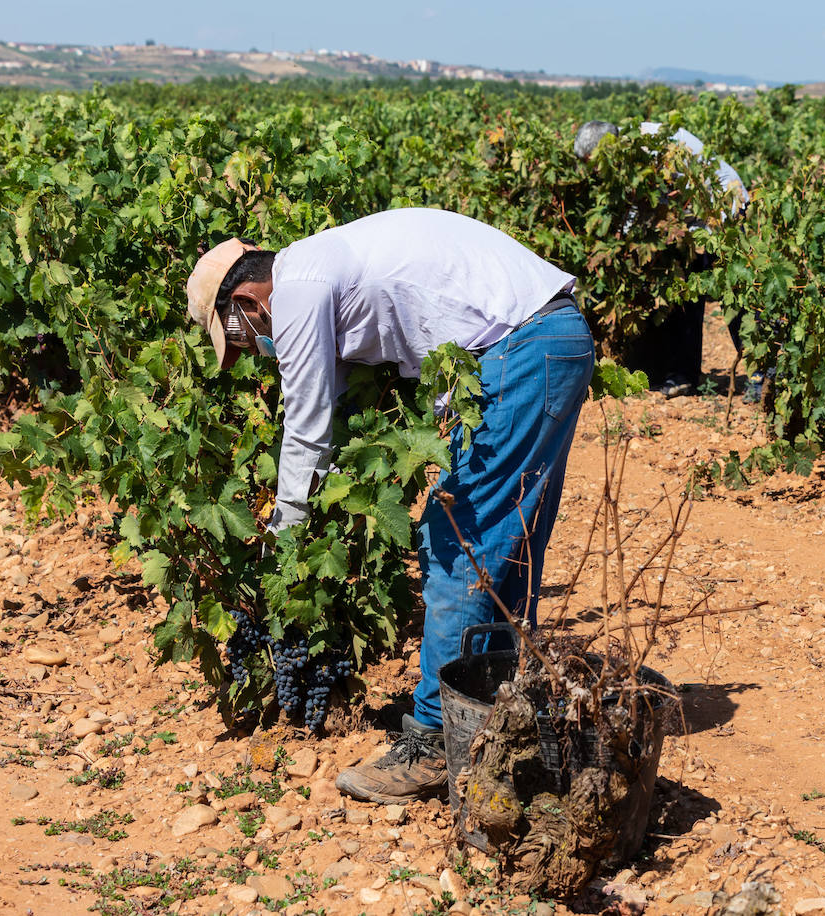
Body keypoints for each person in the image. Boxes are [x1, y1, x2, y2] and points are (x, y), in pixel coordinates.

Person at [186, 207, 595, 803]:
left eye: (242, 338)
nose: (253, 353)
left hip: (519, 353)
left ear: (249, 302)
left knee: (457, 542)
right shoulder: (326, 265)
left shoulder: (297, 289)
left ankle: (433, 744)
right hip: (550, 341)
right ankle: (502, 724)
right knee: (509, 549)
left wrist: (284, 540)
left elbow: (306, 431)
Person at [574, 120, 749, 397]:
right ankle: (681, 376)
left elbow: (656, 200)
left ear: (607, 148)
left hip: (725, 209)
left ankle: (765, 373)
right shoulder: (625, 153)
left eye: (593, 162)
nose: (594, 170)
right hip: (691, 221)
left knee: (735, 294)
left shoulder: (649, 147)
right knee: (682, 294)